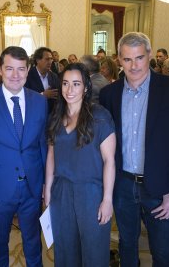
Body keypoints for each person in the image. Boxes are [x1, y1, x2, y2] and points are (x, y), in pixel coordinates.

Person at [99, 32, 169, 266]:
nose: (133, 65)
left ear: (149, 56)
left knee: (162, 253)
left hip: (163, 189)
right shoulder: (109, 94)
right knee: (126, 244)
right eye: (127, 59)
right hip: (123, 184)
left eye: (139, 58)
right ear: (119, 60)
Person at [0, 46, 47, 267]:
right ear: (0, 71)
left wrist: (44, 183)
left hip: (33, 187)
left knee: (33, 241)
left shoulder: (40, 101)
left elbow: (42, 144)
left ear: (28, 71)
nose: (16, 75)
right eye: (10, 69)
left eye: (21, 69)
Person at [45, 62, 116, 266]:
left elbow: (109, 161)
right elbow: (51, 156)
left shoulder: (100, 116)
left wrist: (107, 200)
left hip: (91, 193)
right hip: (61, 192)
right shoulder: (56, 117)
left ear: (86, 87)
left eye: (76, 84)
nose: (70, 90)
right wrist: (48, 192)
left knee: (94, 251)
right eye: (65, 83)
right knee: (65, 249)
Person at [25, 47, 59, 114]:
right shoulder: (27, 76)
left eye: (51, 59)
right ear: (38, 60)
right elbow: (24, 98)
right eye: (47, 59)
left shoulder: (54, 76)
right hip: (34, 115)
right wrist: (42, 95)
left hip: (51, 117)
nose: (50, 62)